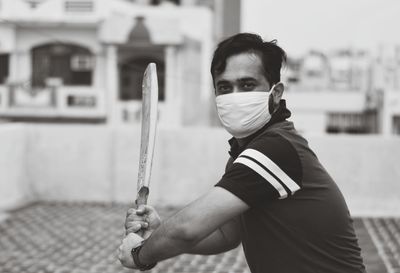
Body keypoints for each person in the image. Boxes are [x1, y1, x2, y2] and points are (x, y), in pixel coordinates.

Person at [118, 33, 366, 273]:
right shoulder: (247, 152)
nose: (235, 96)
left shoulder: (275, 149)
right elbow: (226, 235)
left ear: (276, 93)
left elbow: (187, 229)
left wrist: (141, 255)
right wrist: (159, 231)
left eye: (247, 84)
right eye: (224, 87)